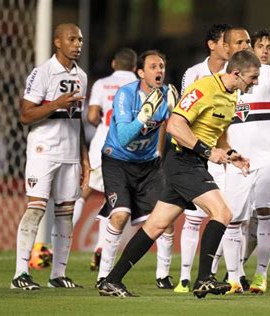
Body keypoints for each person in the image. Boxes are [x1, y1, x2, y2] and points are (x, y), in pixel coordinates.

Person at [98, 50, 260, 299]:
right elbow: (174, 125)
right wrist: (207, 151)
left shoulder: (232, 96)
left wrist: (230, 154)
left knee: (156, 225)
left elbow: (218, 135)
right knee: (223, 213)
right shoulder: (204, 88)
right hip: (182, 161)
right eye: (253, 77)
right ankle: (204, 278)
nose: (255, 82)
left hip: (195, 162)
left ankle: (112, 280)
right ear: (237, 73)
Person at [11, 23, 89, 290]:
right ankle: (20, 273)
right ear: (57, 42)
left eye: (80, 39)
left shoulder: (82, 76)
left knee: (65, 214)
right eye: (72, 39)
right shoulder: (42, 73)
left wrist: (85, 159)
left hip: (71, 155)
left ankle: (58, 275)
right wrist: (55, 104)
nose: (77, 44)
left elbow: (77, 120)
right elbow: (24, 115)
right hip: (43, 151)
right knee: (36, 210)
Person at [94, 50, 179, 290]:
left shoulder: (167, 95)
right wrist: (145, 115)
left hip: (148, 164)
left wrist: (177, 115)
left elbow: (178, 131)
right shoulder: (126, 94)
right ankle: (104, 276)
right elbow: (122, 137)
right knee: (120, 216)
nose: (159, 70)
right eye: (153, 66)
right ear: (140, 72)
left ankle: (163, 276)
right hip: (117, 161)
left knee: (167, 219)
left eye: (161, 66)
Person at [223, 28, 270, 294]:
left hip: (269, 157)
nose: (265, 51)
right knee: (234, 218)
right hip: (237, 158)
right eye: (260, 45)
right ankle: (234, 277)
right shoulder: (230, 76)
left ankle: (261, 274)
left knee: (264, 212)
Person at [174, 23, 243, 293]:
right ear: (213, 45)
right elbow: (182, 115)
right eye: (226, 43)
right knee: (193, 218)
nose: (230, 47)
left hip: (217, 155)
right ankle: (184, 278)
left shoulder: (233, 78)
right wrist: (201, 149)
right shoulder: (195, 74)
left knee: (225, 215)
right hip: (193, 154)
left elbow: (223, 124)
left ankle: (218, 275)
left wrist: (227, 152)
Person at [71, 48, 138, 271]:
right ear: (134, 66)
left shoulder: (101, 84)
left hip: (103, 143)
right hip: (130, 146)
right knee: (116, 198)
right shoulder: (139, 85)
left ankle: (60, 238)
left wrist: (101, 124)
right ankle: (101, 246)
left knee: (85, 190)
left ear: (113, 63)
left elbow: (91, 116)